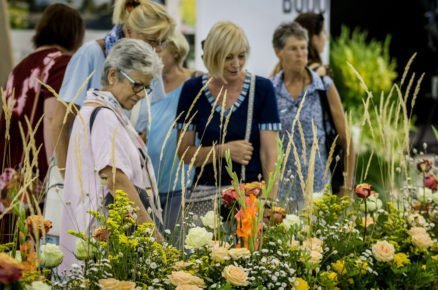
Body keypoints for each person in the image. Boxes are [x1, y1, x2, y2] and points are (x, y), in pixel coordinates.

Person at [59, 38, 163, 270]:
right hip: (103, 238)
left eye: (146, 88)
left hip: (94, 236)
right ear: (113, 75)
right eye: (137, 85)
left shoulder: (93, 110)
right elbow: (116, 181)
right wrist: (152, 235)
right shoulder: (104, 116)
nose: (141, 95)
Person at [51, 0, 175, 177]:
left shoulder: (150, 64)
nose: (156, 49)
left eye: (161, 42)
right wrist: (66, 180)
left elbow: (148, 120)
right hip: (83, 172)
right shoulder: (91, 55)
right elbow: (59, 124)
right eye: (151, 40)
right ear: (129, 29)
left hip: (124, 173)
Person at [176, 21, 280, 217]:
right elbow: (184, 153)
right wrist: (223, 150)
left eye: (241, 56)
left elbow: (270, 154)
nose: (236, 64)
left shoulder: (262, 89)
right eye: (228, 57)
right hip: (205, 197)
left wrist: (270, 203)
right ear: (214, 56)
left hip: (251, 194)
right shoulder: (192, 89)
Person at [271, 22, 355, 206]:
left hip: (317, 191)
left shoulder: (323, 87)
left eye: (303, 48)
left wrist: (347, 186)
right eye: (293, 48)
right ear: (278, 52)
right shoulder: (270, 88)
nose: (300, 53)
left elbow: (347, 139)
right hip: (280, 192)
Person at [0, 3, 84, 181]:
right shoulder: (61, 63)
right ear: (75, 34)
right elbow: (53, 118)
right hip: (37, 171)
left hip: (9, 173)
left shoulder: (21, 65)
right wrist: (57, 176)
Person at [148, 30, 195, 230]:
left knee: (176, 246)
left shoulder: (193, 83)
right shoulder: (144, 85)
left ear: (175, 51)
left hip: (180, 182)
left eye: (159, 50)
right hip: (148, 183)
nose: (153, 53)